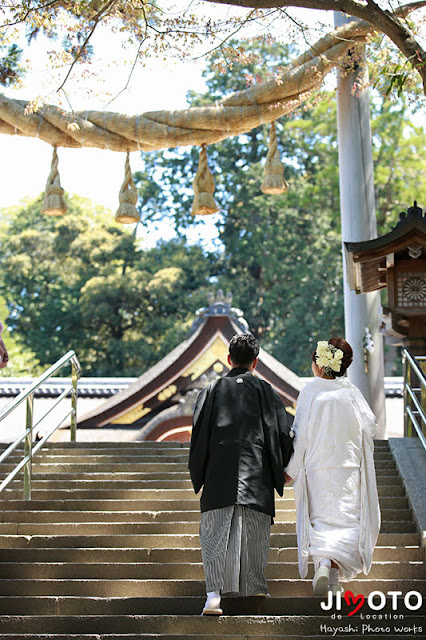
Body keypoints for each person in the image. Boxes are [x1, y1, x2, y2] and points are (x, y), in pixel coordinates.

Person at [189, 333, 294, 615]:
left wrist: (199, 472)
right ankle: (253, 590)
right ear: (255, 362)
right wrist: (283, 467)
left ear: (228, 359)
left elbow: (198, 435)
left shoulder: (210, 391)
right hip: (256, 474)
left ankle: (213, 595)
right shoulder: (266, 391)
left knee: (215, 533)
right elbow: (282, 432)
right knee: (253, 532)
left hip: (218, 475)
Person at [285, 337, 380, 596]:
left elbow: (300, 434)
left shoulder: (311, 391)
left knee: (320, 520)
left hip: (318, 468)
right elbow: (370, 425)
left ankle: (324, 565)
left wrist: (291, 470)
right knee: (346, 521)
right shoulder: (350, 391)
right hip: (348, 469)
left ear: (319, 363)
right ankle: (333, 579)